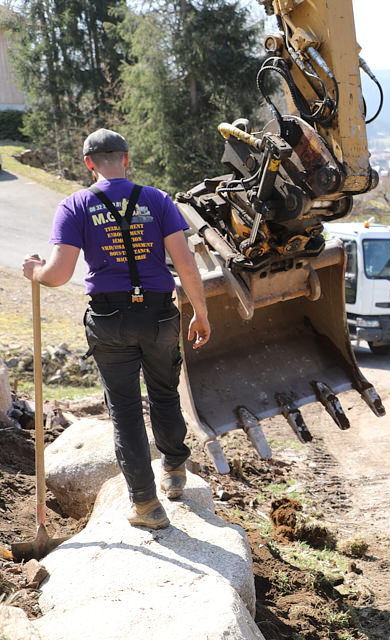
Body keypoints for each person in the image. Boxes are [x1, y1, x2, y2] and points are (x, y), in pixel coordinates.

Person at [22, 129, 211, 530]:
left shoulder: (75, 205)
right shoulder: (158, 200)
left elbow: (57, 275)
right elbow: (187, 266)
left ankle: (146, 505)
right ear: (126, 159)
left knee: (125, 411)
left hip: (110, 321)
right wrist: (201, 313)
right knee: (164, 393)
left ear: (89, 164)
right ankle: (175, 470)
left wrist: (34, 271)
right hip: (160, 315)